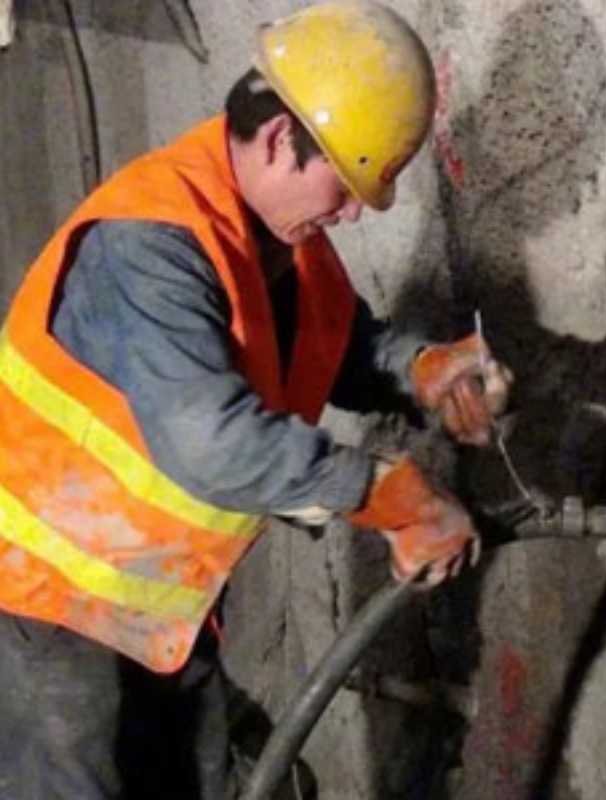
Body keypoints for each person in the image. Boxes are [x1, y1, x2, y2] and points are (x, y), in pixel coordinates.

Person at [0, 2, 511, 798]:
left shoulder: (280, 238)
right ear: (278, 139)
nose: (352, 213)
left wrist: (421, 370)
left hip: (157, 615)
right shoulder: (149, 244)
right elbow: (207, 440)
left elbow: (333, 343)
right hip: (44, 612)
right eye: (344, 185)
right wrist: (382, 492)